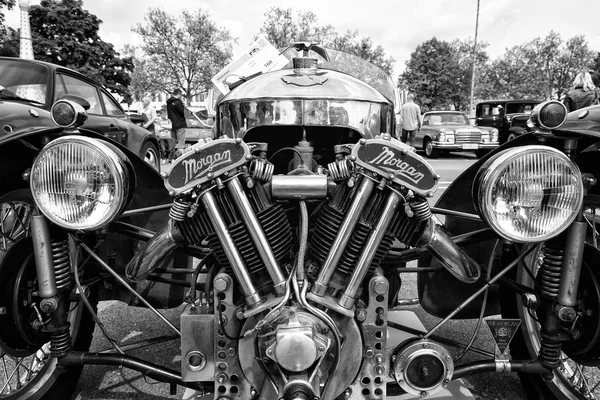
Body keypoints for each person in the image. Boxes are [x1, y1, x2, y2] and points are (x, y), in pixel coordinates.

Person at [166, 88, 187, 156]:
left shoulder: (168, 103)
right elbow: (183, 113)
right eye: (181, 95)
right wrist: (184, 106)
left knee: (173, 141)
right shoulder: (178, 102)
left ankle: (171, 157)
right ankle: (179, 156)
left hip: (172, 124)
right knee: (181, 142)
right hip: (180, 124)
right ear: (179, 94)